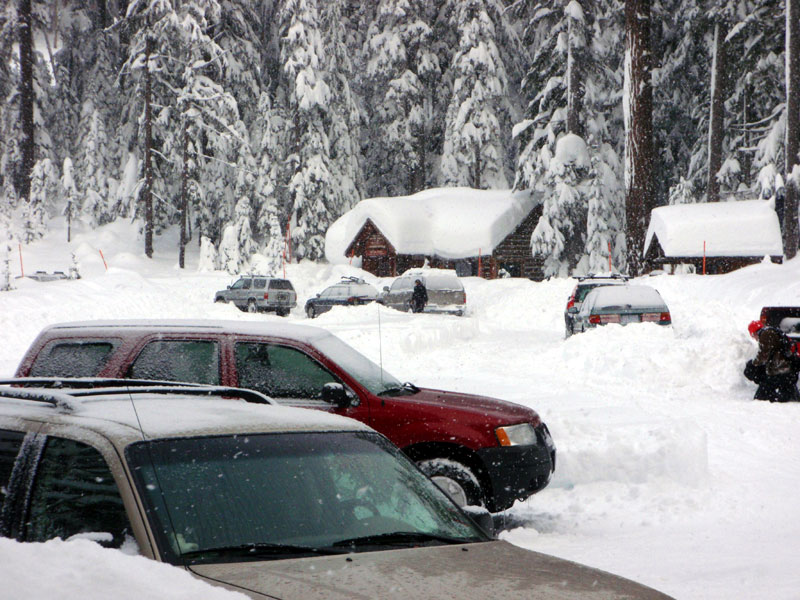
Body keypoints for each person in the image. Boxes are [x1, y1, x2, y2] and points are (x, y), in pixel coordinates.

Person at [744, 322, 800, 402]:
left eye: (753, 336)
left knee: (761, 398)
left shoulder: (766, 334)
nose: (755, 339)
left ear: (754, 333)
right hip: (787, 370)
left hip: (780, 370)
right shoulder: (771, 332)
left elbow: (763, 355)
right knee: (787, 392)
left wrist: (753, 363)